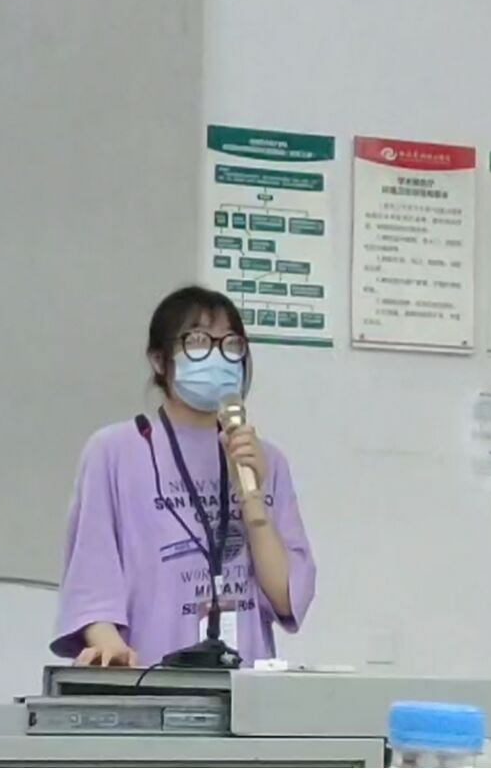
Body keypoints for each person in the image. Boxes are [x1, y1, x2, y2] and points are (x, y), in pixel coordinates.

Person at [51, 285, 316, 668]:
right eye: (198, 341)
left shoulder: (262, 458)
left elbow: (286, 598)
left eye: (231, 345)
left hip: (243, 684)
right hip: (150, 677)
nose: (218, 356)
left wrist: (252, 497)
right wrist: (110, 649)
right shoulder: (115, 451)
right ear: (160, 360)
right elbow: (92, 577)